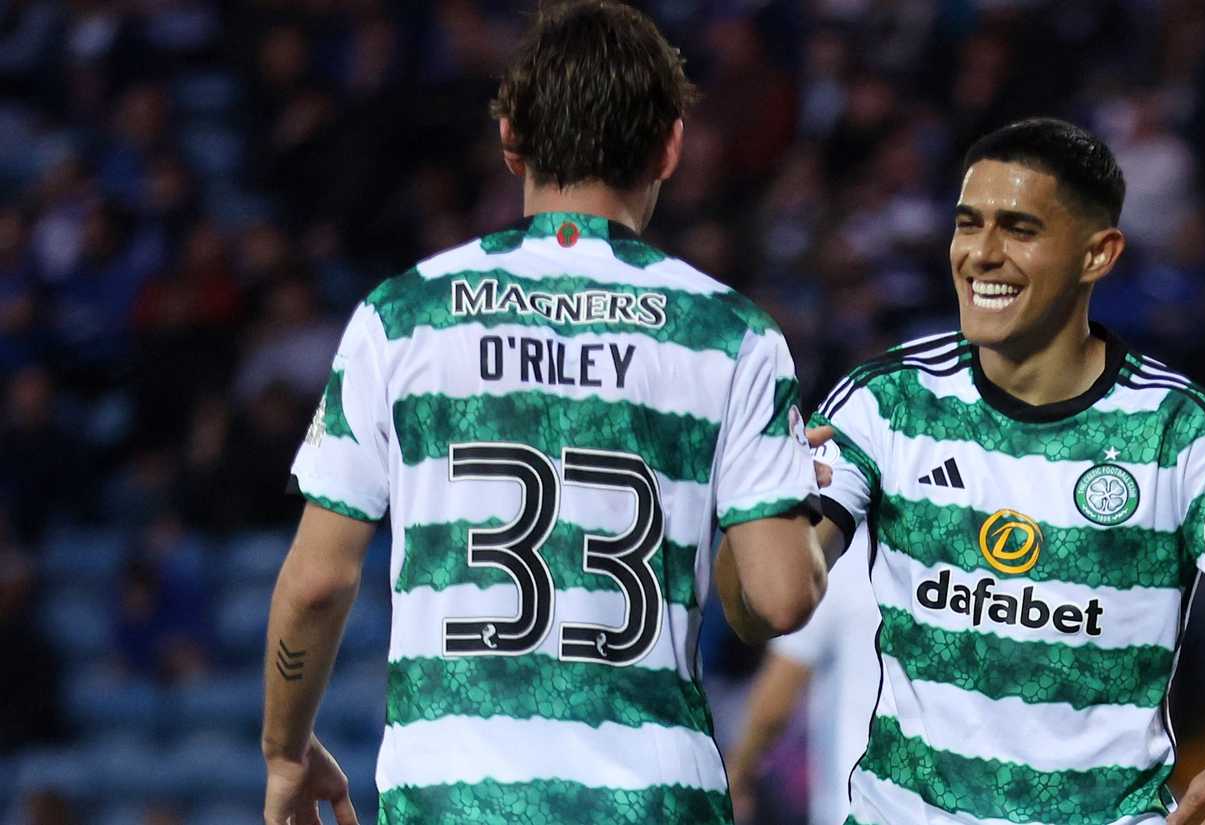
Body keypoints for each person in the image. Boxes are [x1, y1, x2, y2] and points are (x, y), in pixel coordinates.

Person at [260, 3, 827, 824]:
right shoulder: (732, 334)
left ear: (510, 138)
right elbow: (776, 600)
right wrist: (793, 496)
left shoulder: (402, 316)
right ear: (670, 146)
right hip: (651, 799)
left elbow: (317, 581)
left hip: (453, 795)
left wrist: (285, 748)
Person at [734, 118, 1205, 825]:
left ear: (1097, 254)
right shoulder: (886, 403)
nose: (981, 254)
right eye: (968, 224)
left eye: (1019, 229)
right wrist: (751, 492)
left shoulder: (1182, 433)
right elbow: (760, 610)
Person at [725, 524, 881, 825]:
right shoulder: (955, 572)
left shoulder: (846, 563)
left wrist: (738, 773)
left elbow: (776, 700)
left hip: (855, 808)